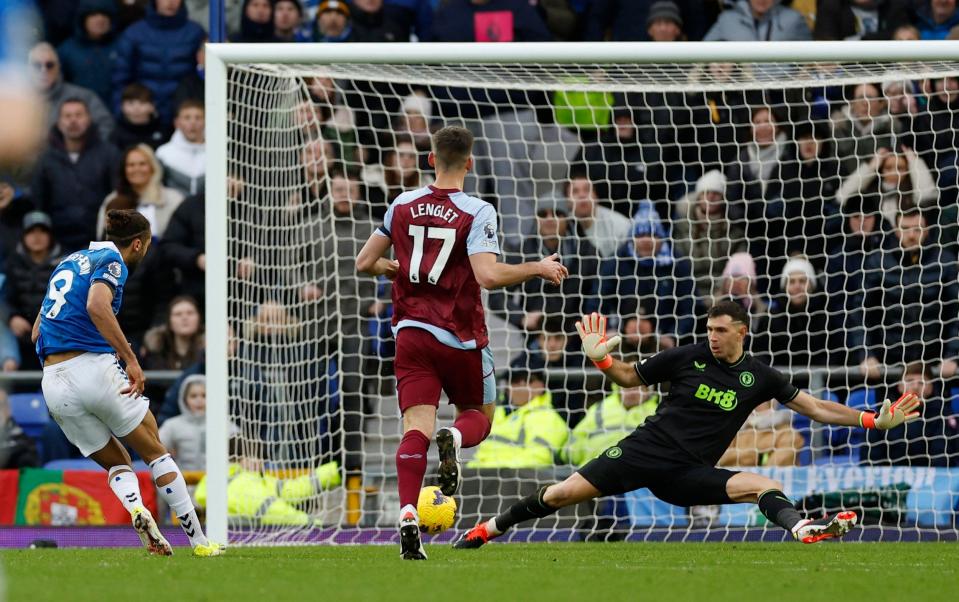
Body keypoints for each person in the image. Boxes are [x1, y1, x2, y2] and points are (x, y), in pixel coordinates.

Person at [453, 302, 923, 549]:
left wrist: (870, 419)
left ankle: (802, 528)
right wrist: (601, 358)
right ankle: (488, 529)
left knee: (764, 483)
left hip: (686, 475)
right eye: (709, 329)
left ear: (742, 331)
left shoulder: (759, 376)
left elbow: (815, 408)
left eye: (721, 330)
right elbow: (627, 376)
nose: (712, 337)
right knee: (558, 495)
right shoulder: (684, 357)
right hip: (643, 452)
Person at [355, 125, 568, 560]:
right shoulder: (478, 210)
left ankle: (409, 512)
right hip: (459, 336)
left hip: (411, 334)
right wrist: (537, 267)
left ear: (430, 159)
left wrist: (395, 270)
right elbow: (488, 276)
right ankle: (453, 434)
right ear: (469, 163)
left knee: (415, 429)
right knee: (477, 416)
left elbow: (364, 262)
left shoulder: (401, 203)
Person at [34, 209, 222, 557]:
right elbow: (97, 305)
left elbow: (36, 331)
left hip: (53, 381)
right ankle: (199, 543)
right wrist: (130, 359)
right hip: (92, 366)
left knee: (118, 463)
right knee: (155, 452)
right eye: (147, 246)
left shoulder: (68, 262)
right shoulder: (113, 260)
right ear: (138, 243)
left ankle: (137, 509)